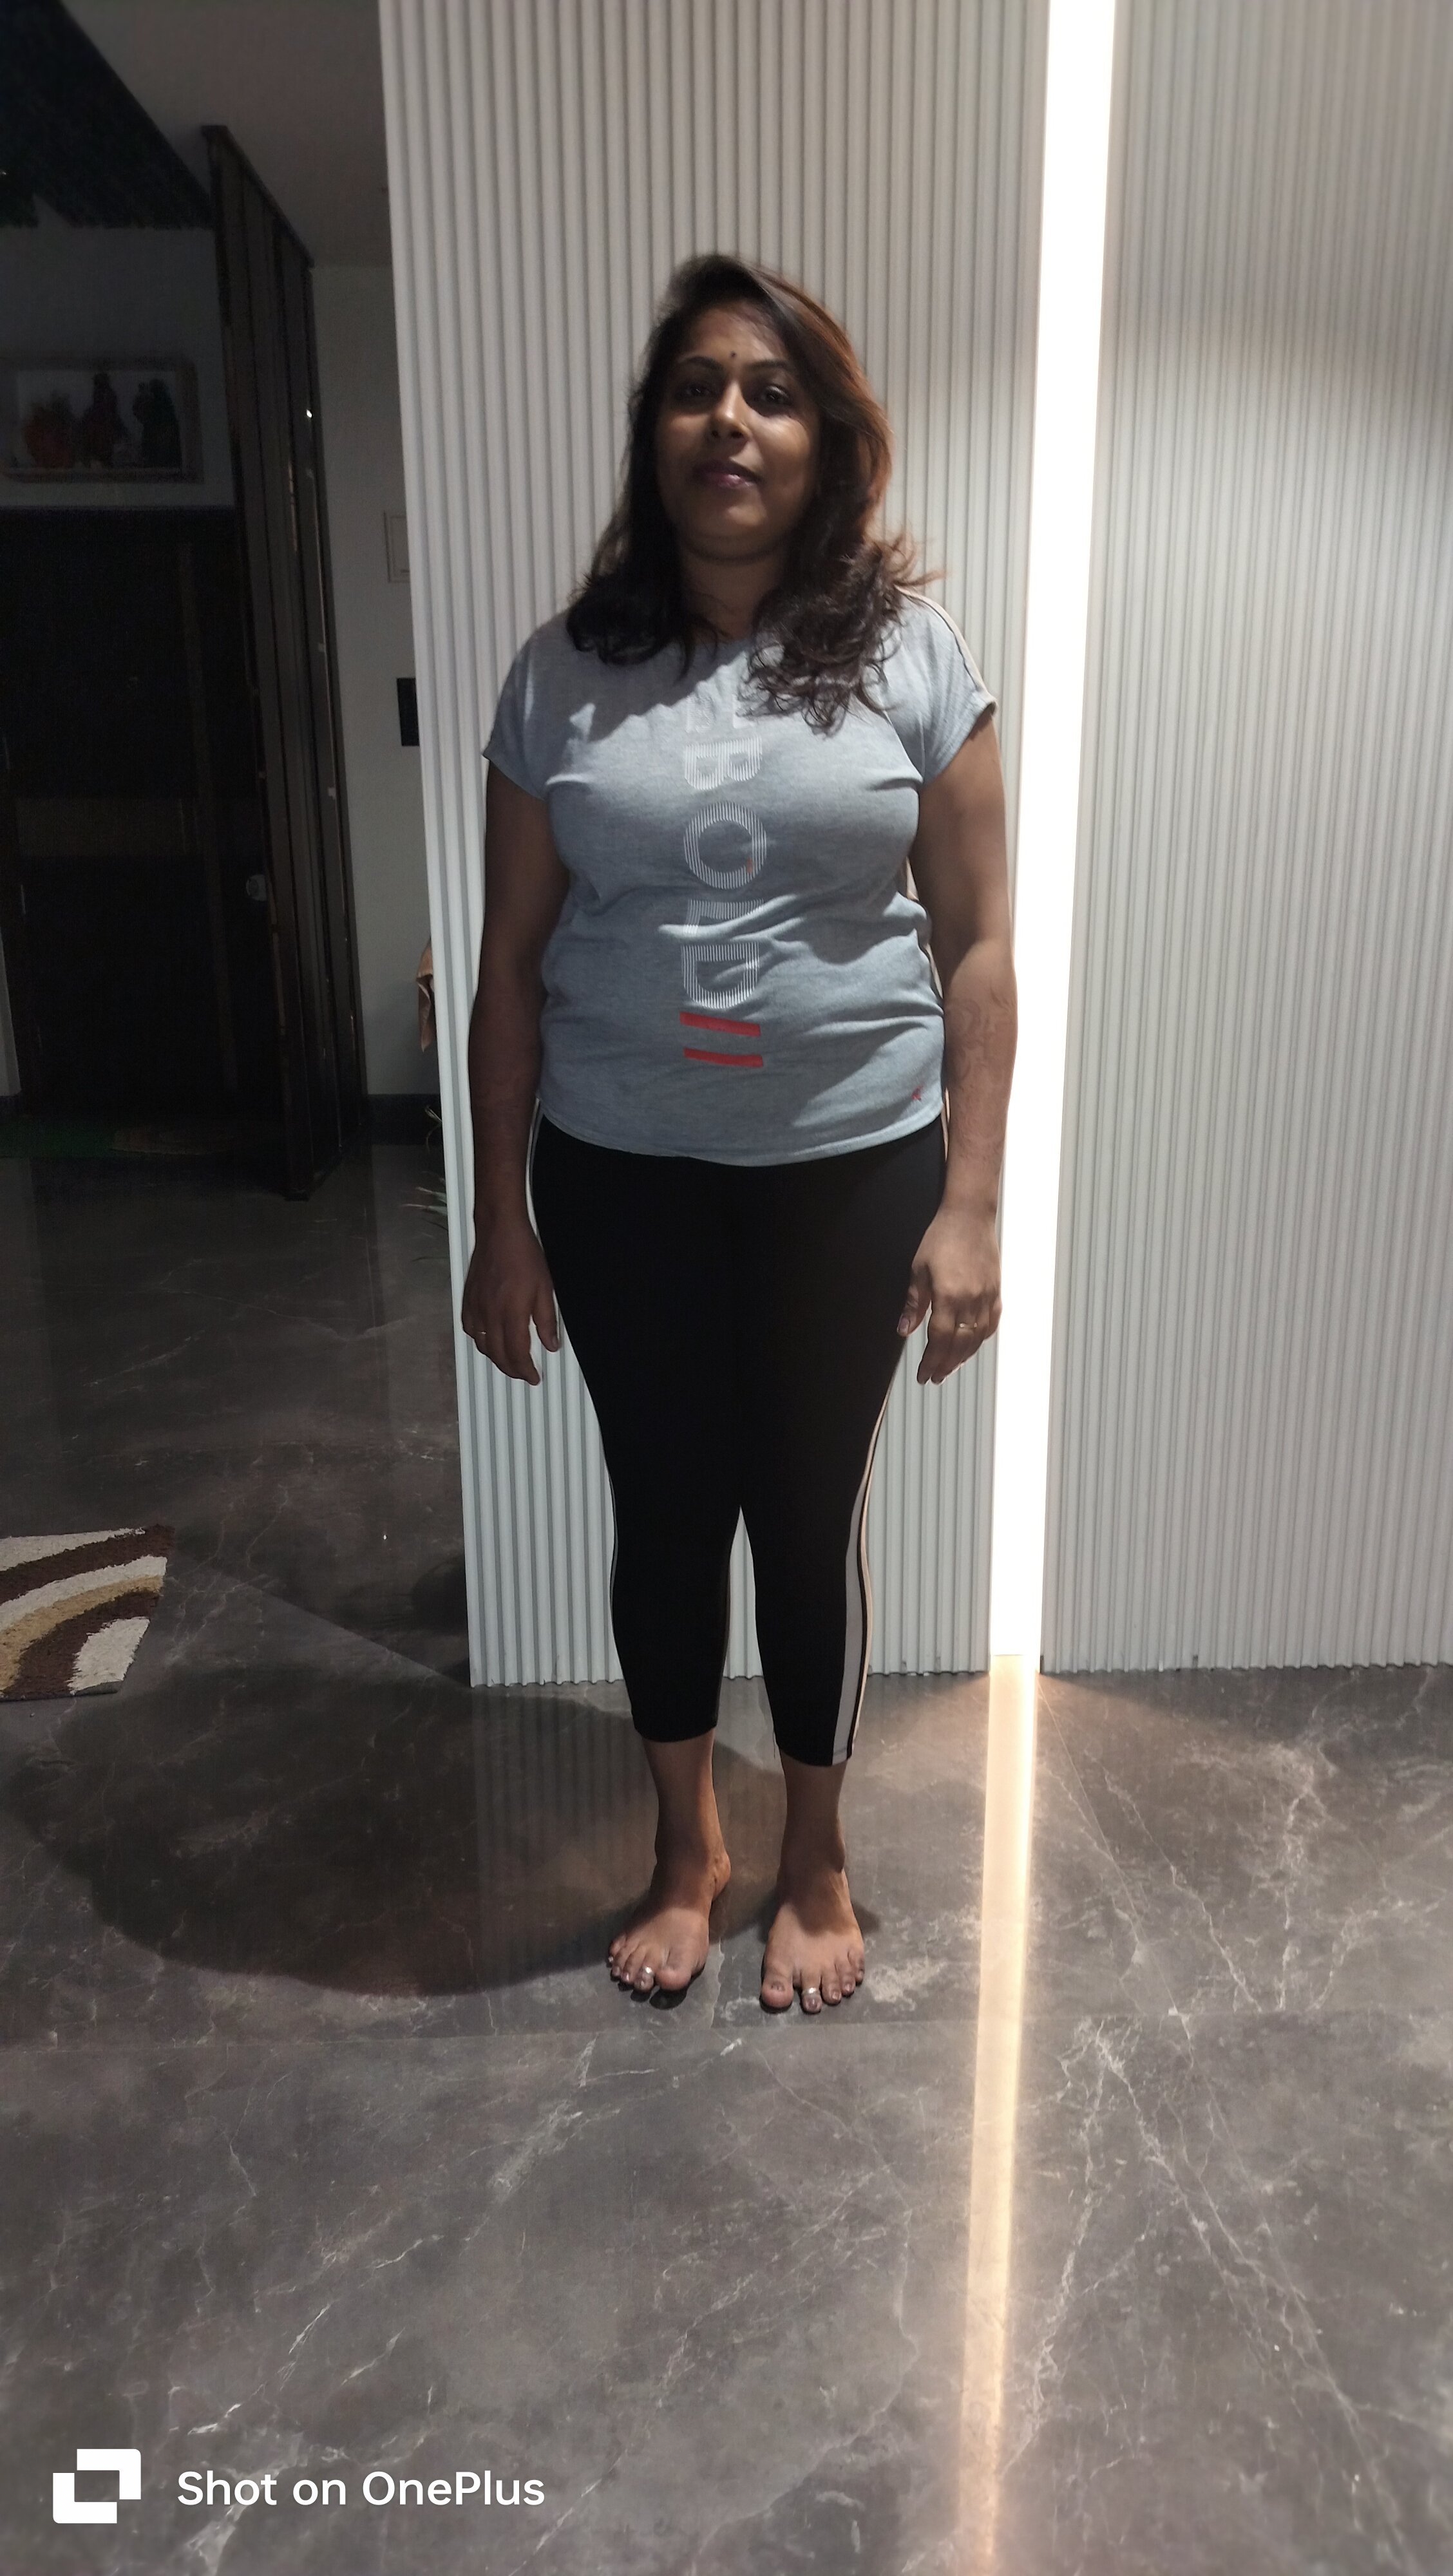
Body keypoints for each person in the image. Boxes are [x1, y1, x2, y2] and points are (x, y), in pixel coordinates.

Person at [462, 254, 1014, 2014]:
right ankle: (687, 1844)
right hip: (620, 1175)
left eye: (771, 394)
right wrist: (499, 1220)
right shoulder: (564, 675)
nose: (732, 421)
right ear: (656, 433)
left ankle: (819, 1852)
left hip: (852, 1170)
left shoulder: (911, 658)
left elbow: (978, 943)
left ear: (824, 438)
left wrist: (973, 1203)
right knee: (663, 1506)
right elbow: (510, 963)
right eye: (699, 388)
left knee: (806, 1510)